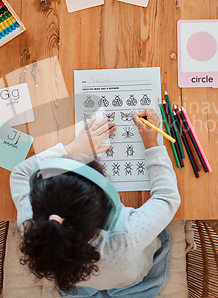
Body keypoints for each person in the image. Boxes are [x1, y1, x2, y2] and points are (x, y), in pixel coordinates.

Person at [10, 108, 181, 297]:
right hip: (129, 277)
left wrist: (71, 149)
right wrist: (151, 143)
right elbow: (167, 198)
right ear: (109, 207)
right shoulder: (127, 233)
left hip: (77, 280)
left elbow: (20, 173)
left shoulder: (35, 225)